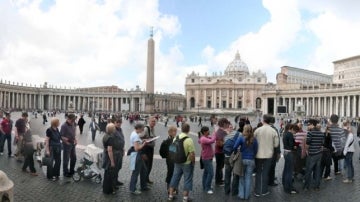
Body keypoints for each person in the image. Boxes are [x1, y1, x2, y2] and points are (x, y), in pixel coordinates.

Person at [168, 123, 195, 202]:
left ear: (181, 129)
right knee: (187, 179)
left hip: (177, 162)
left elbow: (172, 150)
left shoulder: (175, 138)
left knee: (175, 178)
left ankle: (170, 196)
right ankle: (185, 198)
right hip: (186, 163)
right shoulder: (189, 140)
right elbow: (192, 154)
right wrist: (193, 162)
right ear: (188, 130)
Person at [253, 114, 279, 197]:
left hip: (258, 154)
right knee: (265, 173)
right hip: (268, 155)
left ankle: (257, 191)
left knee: (258, 173)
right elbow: (276, 144)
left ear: (263, 120)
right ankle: (264, 190)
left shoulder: (257, 130)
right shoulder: (273, 131)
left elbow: (253, 141)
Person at [233, 124, 258, 200]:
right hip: (251, 160)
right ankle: (247, 196)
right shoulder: (254, 139)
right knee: (248, 178)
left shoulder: (241, 138)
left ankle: (241, 195)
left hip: (242, 159)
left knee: (241, 177)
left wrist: (237, 152)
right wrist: (253, 155)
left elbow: (234, 147)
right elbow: (256, 150)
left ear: (244, 130)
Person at [303, 119, 325, 191]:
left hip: (312, 154)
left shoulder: (310, 133)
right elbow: (322, 144)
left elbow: (307, 143)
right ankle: (316, 186)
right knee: (317, 170)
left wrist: (306, 150)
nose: (308, 125)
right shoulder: (321, 133)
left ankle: (306, 186)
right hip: (319, 154)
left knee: (308, 170)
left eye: (309, 124)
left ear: (312, 125)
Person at [129, 123, 150, 195]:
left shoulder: (135, 133)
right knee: (135, 173)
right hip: (136, 155)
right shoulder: (135, 135)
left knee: (144, 170)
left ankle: (143, 186)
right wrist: (144, 144)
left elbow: (137, 143)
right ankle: (132, 189)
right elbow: (137, 148)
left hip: (136, 155)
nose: (143, 130)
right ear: (138, 128)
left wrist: (142, 140)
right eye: (142, 128)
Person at [282, 124, 300, 194]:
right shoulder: (289, 134)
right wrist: (295, 146)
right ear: (292, 129)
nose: (295, 133)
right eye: (295, 131)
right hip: (289, 153)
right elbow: (291, 145)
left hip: (286, 152)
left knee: (286, 170)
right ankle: (288, 188)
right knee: (289, 172)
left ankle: (285, 184)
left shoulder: (285, 133)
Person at [198, 126, 216, 194]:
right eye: (208, 131)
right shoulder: (203, 139)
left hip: (208, 158)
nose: (209, 132)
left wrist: (214, 134)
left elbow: (211, 138)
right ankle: (207, 188)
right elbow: (212, 140)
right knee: (211, 173)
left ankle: (205, 186)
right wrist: (215, 134)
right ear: (205, 132)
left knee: (206, 173)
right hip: (206, 158)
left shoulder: (204, 137)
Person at [160, 126, 177, 192]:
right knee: (170, 173)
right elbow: (162, 152)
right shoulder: (167, 141)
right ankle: (169, 188)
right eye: (174, 131)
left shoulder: (175, 140)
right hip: (170, 160)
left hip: (175, 160)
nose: (175, 133)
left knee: (175, 174)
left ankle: (173, 188)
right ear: (169, 132)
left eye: (175, 131)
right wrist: (167, 156)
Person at [214, 118, 230, 186]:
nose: (228, 125)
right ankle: (218, 181)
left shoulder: (220, 131)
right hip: (220, 152)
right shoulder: (221, 132)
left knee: (220, 166)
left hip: (219, 151)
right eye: (227, 124)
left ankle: (219, 179)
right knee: (219, 167)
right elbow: (220, 142)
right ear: (224, 124)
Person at [102, 123, 117, 195]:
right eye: (114, 128)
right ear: (112, 130)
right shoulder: (110, 138)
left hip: (105, 154)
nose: (115, 129)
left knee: (106, 173)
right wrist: (112, 161)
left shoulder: (105, 135)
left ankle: (105, 188)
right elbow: (110, 150)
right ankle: (108, 190)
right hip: (108, 157)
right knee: (109, 173)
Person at [60, 113, 77, 177]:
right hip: (67, 145)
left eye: (74, 120)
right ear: (68, 119)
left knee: (74, 158)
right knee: (66, 159)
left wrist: (75, 139)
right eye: (72, 120)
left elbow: (74, 133)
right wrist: (66, 141)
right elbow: (61, 136)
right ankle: (65, 172)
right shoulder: (64, 126)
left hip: (72, 144)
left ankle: (72, 170)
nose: (73, 122)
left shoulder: (73, 124)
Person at [142, 116, 157, 184]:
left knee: (150, 165)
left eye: (154, 121)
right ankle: (144, 181)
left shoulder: (153, 128)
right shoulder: (146, 129)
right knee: (146, 165)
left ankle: (147, 178)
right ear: (149, 121)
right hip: (146, 149)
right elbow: (140, 139)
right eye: (152, 121)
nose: (154, 123)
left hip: (151, 149)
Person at [268, 116, 281, 186]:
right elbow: (277, 142)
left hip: (265, 150)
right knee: (272, 166)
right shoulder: (274, 129)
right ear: (274, 122)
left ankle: (268, 178)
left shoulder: (262, 128)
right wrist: (278, 152)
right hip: (273, 151)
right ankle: (271, 181)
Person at [113, 118, 125, 186]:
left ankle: (116, 180)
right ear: (114, 122)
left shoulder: (120, 129)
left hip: (120, 151)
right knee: (115, 168)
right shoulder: (113, 130)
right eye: (117, 122)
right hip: (115, 152)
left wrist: (123, 149)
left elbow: (122, 139)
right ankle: (113, 182)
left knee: (118, 167)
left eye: (120, 122)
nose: (119, 124)